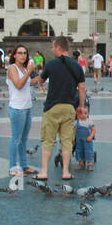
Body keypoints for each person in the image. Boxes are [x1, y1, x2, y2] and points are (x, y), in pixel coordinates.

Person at [38, 36, 85, 180]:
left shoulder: (51, 65)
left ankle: (44, 172)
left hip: (52, 107)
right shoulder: (77, 66)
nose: (52, 49)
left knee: (48, 140)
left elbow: (40, 80)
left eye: (53, 47)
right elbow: (82, 89)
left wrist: (36, 82)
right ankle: (65, 172)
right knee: (66, 140)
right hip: (69, 107)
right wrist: (81, 107)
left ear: (58, 48)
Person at [6, 45, 40, 178]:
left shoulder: (24, 68)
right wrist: (29, 72)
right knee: (16, 139)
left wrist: (40, 77)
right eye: (20, 53)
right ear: (14, 55)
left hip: (27, 107)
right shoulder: (12, 68)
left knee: (23, 139)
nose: (23, 55)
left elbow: (28, 83)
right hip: (17, 108)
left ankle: (24, 166)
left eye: (25, 53)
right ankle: (12, 168)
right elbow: (18, 85)